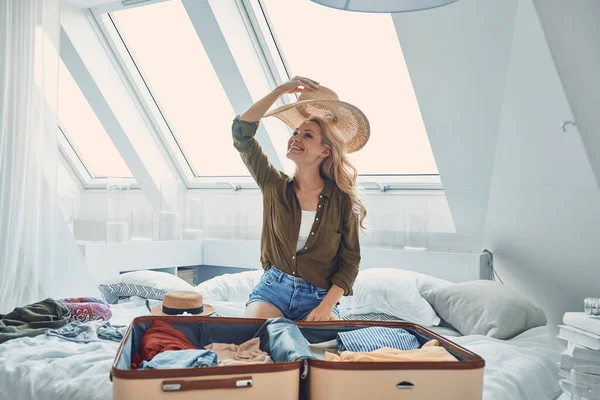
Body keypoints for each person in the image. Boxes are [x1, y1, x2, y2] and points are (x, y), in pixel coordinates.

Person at [233, 76, 370, 321]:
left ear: (324, 151)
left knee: (324, 351)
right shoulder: (273, 185)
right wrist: (280, 91)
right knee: (255, 338)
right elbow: (242, 133)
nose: (295, 137)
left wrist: (326, 307)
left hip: (319, 297)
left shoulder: (342, 201)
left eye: (307, 136)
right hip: (273, 290)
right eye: (295, 132)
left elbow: (349, 263)